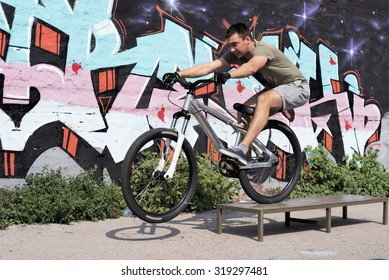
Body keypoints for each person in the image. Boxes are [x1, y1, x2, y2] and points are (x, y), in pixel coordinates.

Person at [162, 22, 310, 165]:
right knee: (244, 113)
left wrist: (229, 75)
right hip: (277, 89)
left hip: (297, 88)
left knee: (265, 99)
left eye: (235, 44)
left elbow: (251, 67)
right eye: (229, 46)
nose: (232, 49)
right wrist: (178, 74)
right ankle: (242, 162)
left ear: (247, 39)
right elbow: (208, 67)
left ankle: (242, 148)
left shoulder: (262, 49)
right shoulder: (236, 55)